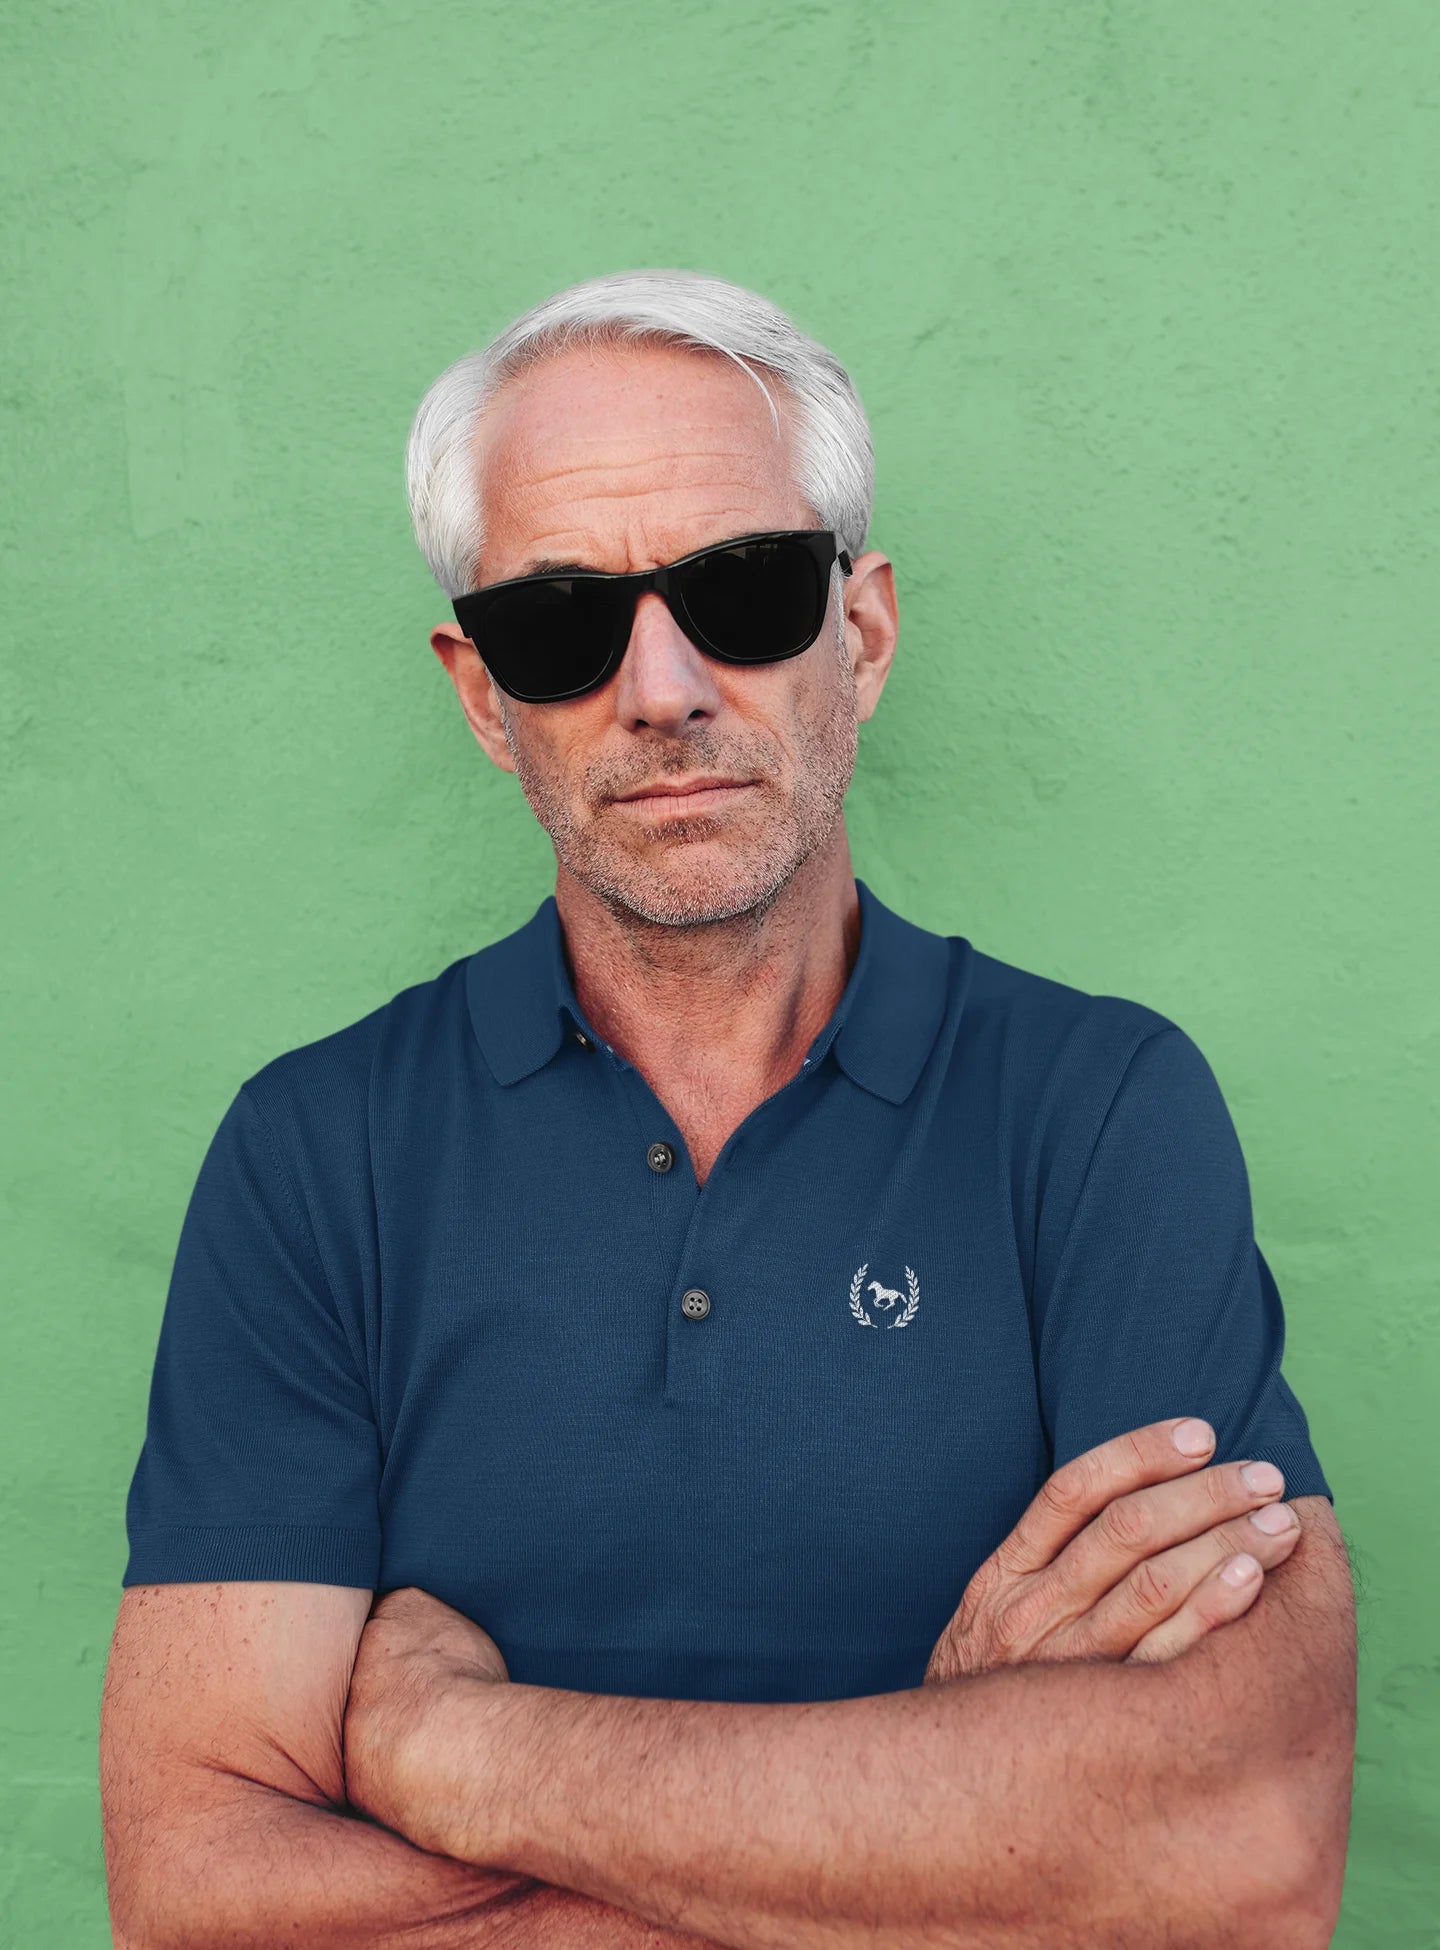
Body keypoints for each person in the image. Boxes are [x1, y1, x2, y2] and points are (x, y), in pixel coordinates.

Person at [100, 269, 1356, 1947]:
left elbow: (1247, 1852)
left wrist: (461, 1748)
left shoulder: (1097, 1113)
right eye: (562, 621)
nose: (664, 684)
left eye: (747, 589)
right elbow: (200, 1893)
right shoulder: (318, 1159)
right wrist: (951, 1786)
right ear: (485, 695)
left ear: (866, 631)